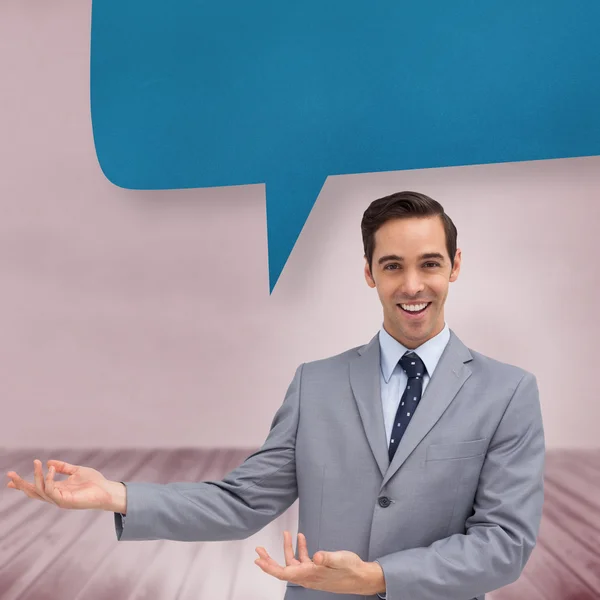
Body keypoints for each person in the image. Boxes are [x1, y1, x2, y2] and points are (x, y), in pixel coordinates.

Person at [6, 191, 545, 600]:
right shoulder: (317, 384)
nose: (412, 285)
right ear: (368, 274)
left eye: (429, 263)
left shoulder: (507, 392)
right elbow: (243, 502)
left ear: (454, 266)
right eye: (392, 266)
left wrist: (380, 577)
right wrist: (118, 495)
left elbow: (504, 544)